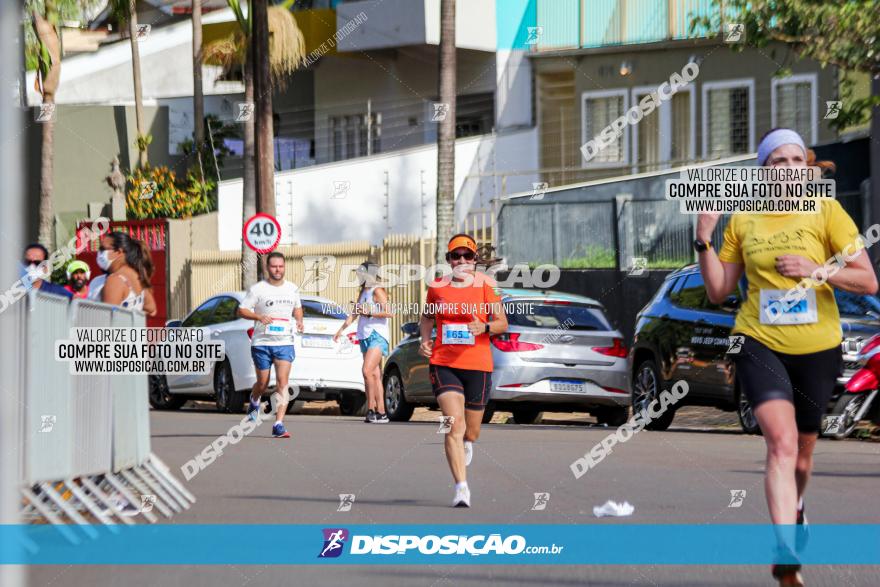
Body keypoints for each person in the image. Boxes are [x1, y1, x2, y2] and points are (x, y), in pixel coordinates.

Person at [696, 128, 878, 586]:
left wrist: (817, 270)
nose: (790, 169)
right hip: (758, 340)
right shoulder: (744, 220)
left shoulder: (828, 212)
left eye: (798, 160)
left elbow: (867, 281)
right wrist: (704, 241)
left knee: (802, 456)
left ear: (807, 169)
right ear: (763, 173)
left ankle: (796, 508)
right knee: (780, 443)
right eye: (779, 161)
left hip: (817, 347)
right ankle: (784, 552)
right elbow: (719, 291)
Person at [418, 234, 508, 507]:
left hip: (478, 365)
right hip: (444, 363)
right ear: (448, 260)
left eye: (467, 256)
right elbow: (427, 317)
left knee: (471, 432)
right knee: (452, 425)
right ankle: (461, 487)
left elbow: (502, 322)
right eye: (456, 256)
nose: (461, 260)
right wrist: (424, 339)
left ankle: (468, 442)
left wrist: (486, 327)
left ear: (474, 260)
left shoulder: (486, 286)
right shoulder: (437, 287)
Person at [237, 251, 304, 439]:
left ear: (284, 267)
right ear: (268, 268)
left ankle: (278, 424)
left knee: (283, 382)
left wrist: (299, 320)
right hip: (261, 342)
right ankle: (254, 399)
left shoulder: (292, 288)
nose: (278, 270)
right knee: (263, 382)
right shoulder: (258, 289)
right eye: (274, 266)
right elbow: (241, 310)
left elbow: (297, 308)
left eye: (281, 266)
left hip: (284, 342)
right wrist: (259, 316)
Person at [333, 262, 392, 423]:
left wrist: (370, 312)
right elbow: (354, 314)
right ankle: (381, 412)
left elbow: (389, 312)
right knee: (374, 374)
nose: (358, 276)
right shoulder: (363, 292)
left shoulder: (377, 290)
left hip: (377, 335)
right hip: (364, 335)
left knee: (366, 371)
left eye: (361, 273)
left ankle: (371, 409)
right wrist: (340, 330)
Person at [97, 232, 157, 316]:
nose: (99, 253)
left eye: (103, 249)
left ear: (118, 252)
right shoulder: (137, 276)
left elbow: (107, 322)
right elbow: (151, 309)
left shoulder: (115, 280)